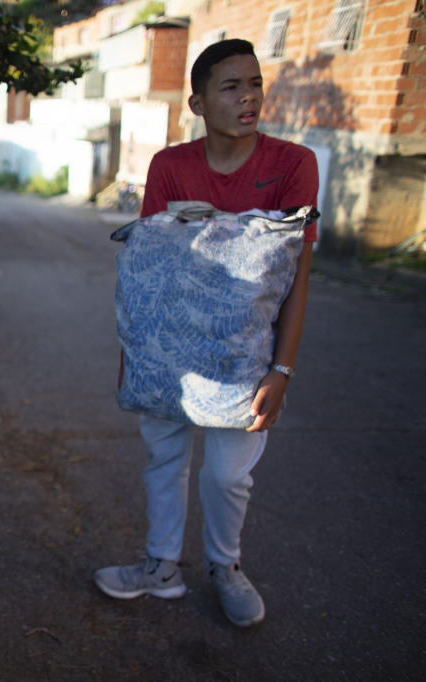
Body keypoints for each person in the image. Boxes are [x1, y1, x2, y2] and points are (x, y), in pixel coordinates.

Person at [95, 39, 319, 627]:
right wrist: (134, 356)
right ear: (196, 102)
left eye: (255, 84)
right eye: (231, 87)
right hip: (168, 350)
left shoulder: (293, 164)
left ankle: (225, 566)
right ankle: (160, 567)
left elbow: (298, 276)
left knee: (227, 474)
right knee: (163, 459)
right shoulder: (170, 166)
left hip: (246, 356)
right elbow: (147, 274)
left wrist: (283, 370)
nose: (248, 98)